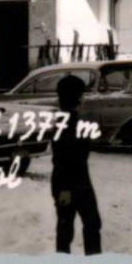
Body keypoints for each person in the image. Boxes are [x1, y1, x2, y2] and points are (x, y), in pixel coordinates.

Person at [51, 74, 102, 254]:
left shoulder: (62, 122)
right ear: (78, 97)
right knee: (90, 223)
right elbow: (69, 159)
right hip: (76, 184)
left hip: (65, 185)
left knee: (66, 227)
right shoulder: (74, 125)